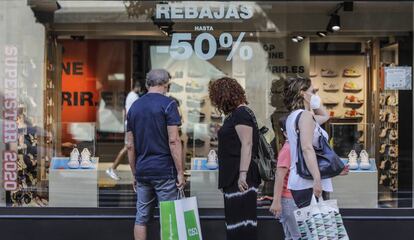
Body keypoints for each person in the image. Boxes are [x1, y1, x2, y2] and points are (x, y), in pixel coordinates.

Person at [126, 69, 185, 240]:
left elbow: (130, 145)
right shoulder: (169, 105)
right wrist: (180, 172)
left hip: (143, 170)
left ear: (147, 84)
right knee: (168, 218)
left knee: (141, 218)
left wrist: (134, 173)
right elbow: (173, 141)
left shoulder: (134, 107)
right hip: (165, 171)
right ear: (166, 84)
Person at [283, 76, 348, 208]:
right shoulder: (305, 116)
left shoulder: (295, 116)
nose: (315, 95)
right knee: (315, 227)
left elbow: (325, 116)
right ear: (302, 93)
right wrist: (317, 179)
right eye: (313, 92)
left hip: (302, 180)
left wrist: (315, 103)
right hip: (308, 182)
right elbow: (307, 148)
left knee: (310, 227)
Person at [208, 77, 261, 240]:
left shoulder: (241, 114)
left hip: (240, 178)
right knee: (238, 223)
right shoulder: (238, 114)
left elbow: (247, 143)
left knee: (241, 225)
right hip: (235, 177)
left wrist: (242, 174)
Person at [269, 116, 301, 240]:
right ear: (286, 133)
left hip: (293, 199)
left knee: (292, 236)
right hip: (289, 200)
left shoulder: (295, 147)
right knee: (296, 236)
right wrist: (276, 202)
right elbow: (279, 176)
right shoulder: (288, 149)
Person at [106, 80, 140, 180]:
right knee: (127, 147)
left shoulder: (130, 95)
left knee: (131, 147)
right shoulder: (134, 96)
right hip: (132, 125)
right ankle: (112, 168)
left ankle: (136, 172)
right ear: (138, 87)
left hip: (130, 124)